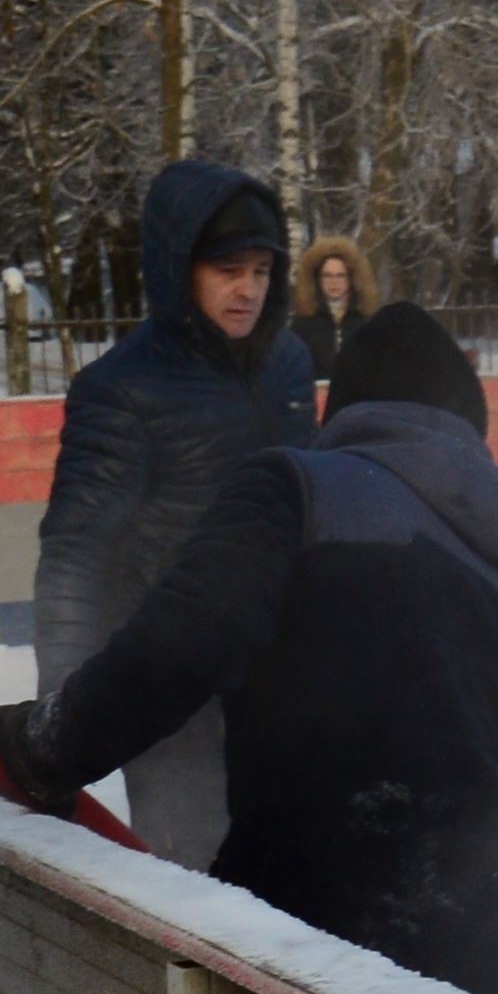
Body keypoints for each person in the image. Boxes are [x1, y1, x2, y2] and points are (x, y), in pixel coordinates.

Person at [0, 302, 498, 994]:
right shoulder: (497, 578)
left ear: (341, 409)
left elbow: (177, 644)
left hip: (333, 940)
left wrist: (39, 748)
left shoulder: (298, 488)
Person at [31, 157, 315, 869]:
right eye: (227, 270)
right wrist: (57, 708)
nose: (247, 289)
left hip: (281, 675)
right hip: (173, 686)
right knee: (201, 889)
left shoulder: (286, 363)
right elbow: (75, 552)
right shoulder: (121, 389)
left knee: (298, 876)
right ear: (177, 267)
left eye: (259, 269)